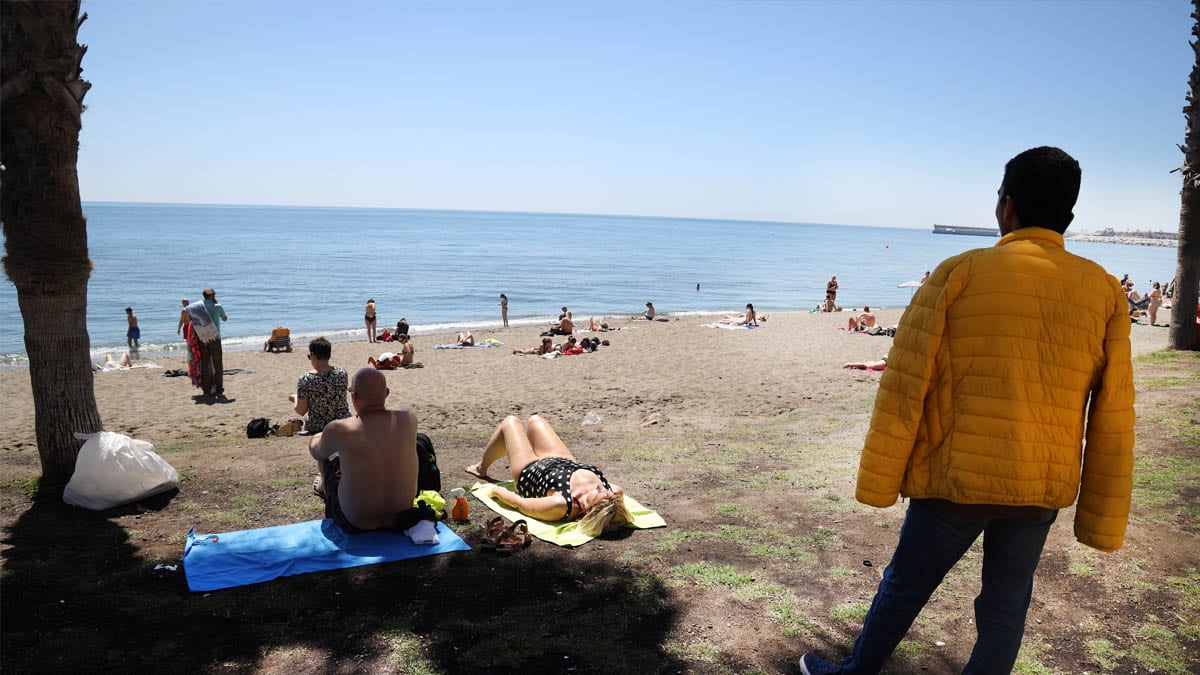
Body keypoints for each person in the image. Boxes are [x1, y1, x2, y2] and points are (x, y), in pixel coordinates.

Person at [798, 147, 1134, 675]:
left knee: (905, 586)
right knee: (1004, 610)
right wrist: (1101, 516)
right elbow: (1114, 415)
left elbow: (905, 385)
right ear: (1068, 217)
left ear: (1006, 206)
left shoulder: (960, 272)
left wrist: (880, 481)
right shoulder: (1104, 291)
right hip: (1039, 485)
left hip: (954, 480)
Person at [465, 414, 632, 536]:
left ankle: (481, 468)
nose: (604, 489)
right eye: (607, 493)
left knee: (511, 422)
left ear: (586, 509)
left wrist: (494, 491)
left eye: (599, 493)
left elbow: (519, 503)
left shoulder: (561, 505)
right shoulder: (614, 494)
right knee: (535, 420)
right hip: (562, 460)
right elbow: (612, 499)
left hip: (529, 470)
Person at [309, 368, 420, 533]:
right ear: (386, 393)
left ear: (354, 396)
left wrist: (319, 436)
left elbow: (317, 452)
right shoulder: (408, 420)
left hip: (353, 522)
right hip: (401, 517)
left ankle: (324, 486)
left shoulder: (338, 428)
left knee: (327, 456)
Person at [288, 337, 351, 434]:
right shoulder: (342, 373)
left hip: (319, 426)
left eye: (309, 356)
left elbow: (301, 410)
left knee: (305, 418)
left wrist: (295, 398)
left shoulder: (305, 379)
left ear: (313, 355)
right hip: (343, 423)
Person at [197, 288, 228, 398]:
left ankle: (207, 390)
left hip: (203, 339)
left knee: (206, 365)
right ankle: (219, 389)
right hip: (215, 338)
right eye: (214, 294)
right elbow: (224, 318)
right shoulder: (217, 306)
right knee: (217, 364)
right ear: (211, 295)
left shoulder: (198, 307)